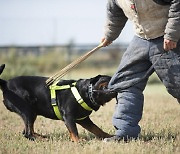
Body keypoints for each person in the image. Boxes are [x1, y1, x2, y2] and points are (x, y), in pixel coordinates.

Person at [101, 0, 180, 142]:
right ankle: (125, 133)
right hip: (141, 40)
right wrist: (109, 35)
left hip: (169, 38)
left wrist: (172, 34)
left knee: (178, 84)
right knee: (125, 84)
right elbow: (115, 14)